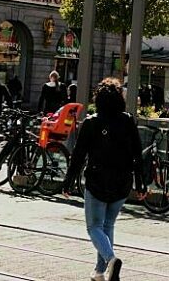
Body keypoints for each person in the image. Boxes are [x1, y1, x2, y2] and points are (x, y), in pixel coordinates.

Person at [64, 79, 145, 281]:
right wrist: (141, 182)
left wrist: (68, 181)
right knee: (107, 225)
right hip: (122, 182)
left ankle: (110, 260)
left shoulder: (91, 122)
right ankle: (100, 272)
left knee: (94, 227)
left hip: (98, 180)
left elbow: (78, 155)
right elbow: (137, 153)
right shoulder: (127, 120)